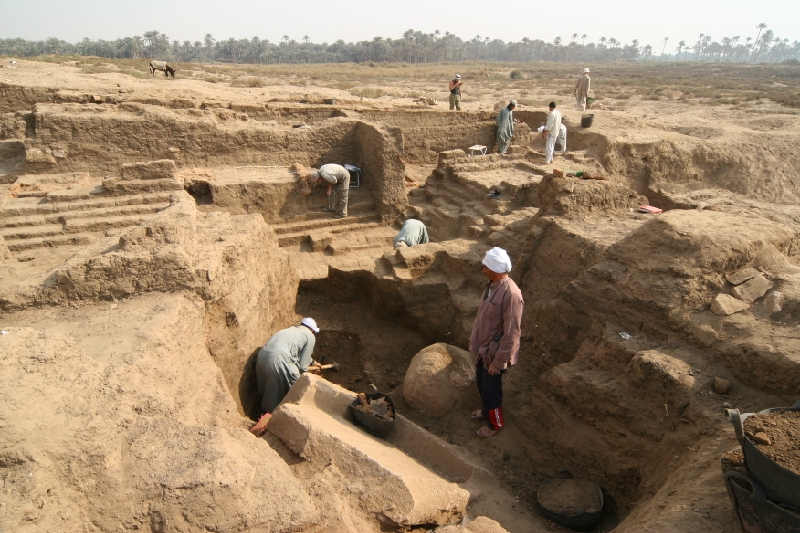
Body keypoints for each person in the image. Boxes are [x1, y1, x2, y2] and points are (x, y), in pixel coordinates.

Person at [469, 247, 524, 438]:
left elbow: (512, 333)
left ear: (496, 269)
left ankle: (495, 424)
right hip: (484, 349)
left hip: (494, 353)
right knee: (481, 383)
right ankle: (486, 411)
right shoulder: (491, 286)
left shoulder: (511, 295)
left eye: (487, 266)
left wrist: (498, 361)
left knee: (491, 390)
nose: (483, 269)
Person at [249, 318, 321, 436]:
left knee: (269, 390)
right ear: (313, 331)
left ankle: (262, 415)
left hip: (262, 357)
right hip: (279, 359)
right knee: (294, 389)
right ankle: (265, 424)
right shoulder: (310, 336)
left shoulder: (289, 330)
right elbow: (303, 366)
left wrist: (313, 362)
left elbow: (294, 352)